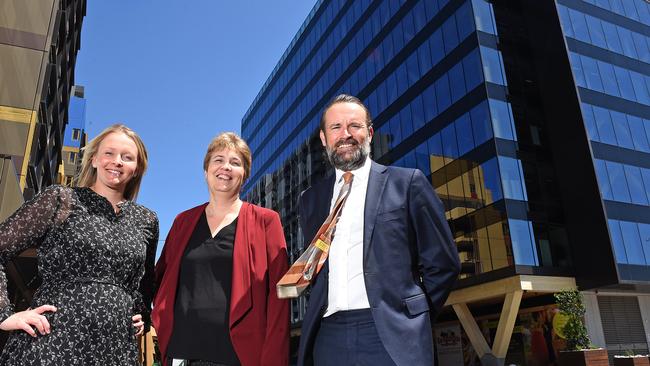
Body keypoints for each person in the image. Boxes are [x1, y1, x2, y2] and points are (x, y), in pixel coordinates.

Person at [297, 94, 461, 366]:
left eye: (355, 126)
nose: (345, 134)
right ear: (324, 139)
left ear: (369, 133)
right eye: (336, 127)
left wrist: (412, 315)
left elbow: (444, 264)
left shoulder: (407, 183)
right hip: (328, 336)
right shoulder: (310, 200)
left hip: (391, 334)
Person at [0, 124, 159, 365]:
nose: (117, 161)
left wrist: (141, 312)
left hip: (115, 349)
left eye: (127, 157)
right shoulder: (61, 199)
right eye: (109, 153)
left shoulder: (147, 220)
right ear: (94, 159)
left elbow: (145, 283)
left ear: (137, 169)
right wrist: (5, 315)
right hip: (51, 343)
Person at [152, 132, 289, 366]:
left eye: (235, 162)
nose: (226, 167)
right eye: (218, 160)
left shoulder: (266, 221)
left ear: (244, 174)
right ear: (206, 171)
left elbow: (280, 297)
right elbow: (159, 280)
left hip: (238, 356)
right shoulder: (183, 222)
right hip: (183, 354)